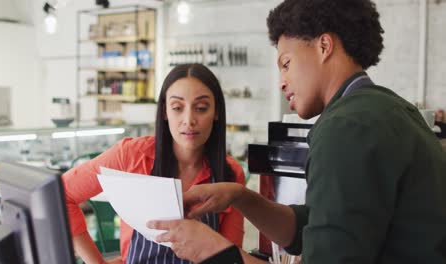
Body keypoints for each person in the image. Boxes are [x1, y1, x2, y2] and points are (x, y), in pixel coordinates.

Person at [147, 0, 446, 263]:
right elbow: (318, 224)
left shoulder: (345, 126)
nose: (282, 81)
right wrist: (241, 197)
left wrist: (215, 252)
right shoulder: (386, 109)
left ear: (324, 46)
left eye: (286, 64)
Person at [63, 63, 246, 264]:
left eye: (201, 108)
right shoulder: (132, 155)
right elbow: (64, 194)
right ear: (165, 112)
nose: (189, 120)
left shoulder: (230, 174)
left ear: (216, 112)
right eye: (177, 108)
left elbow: (231, 257)